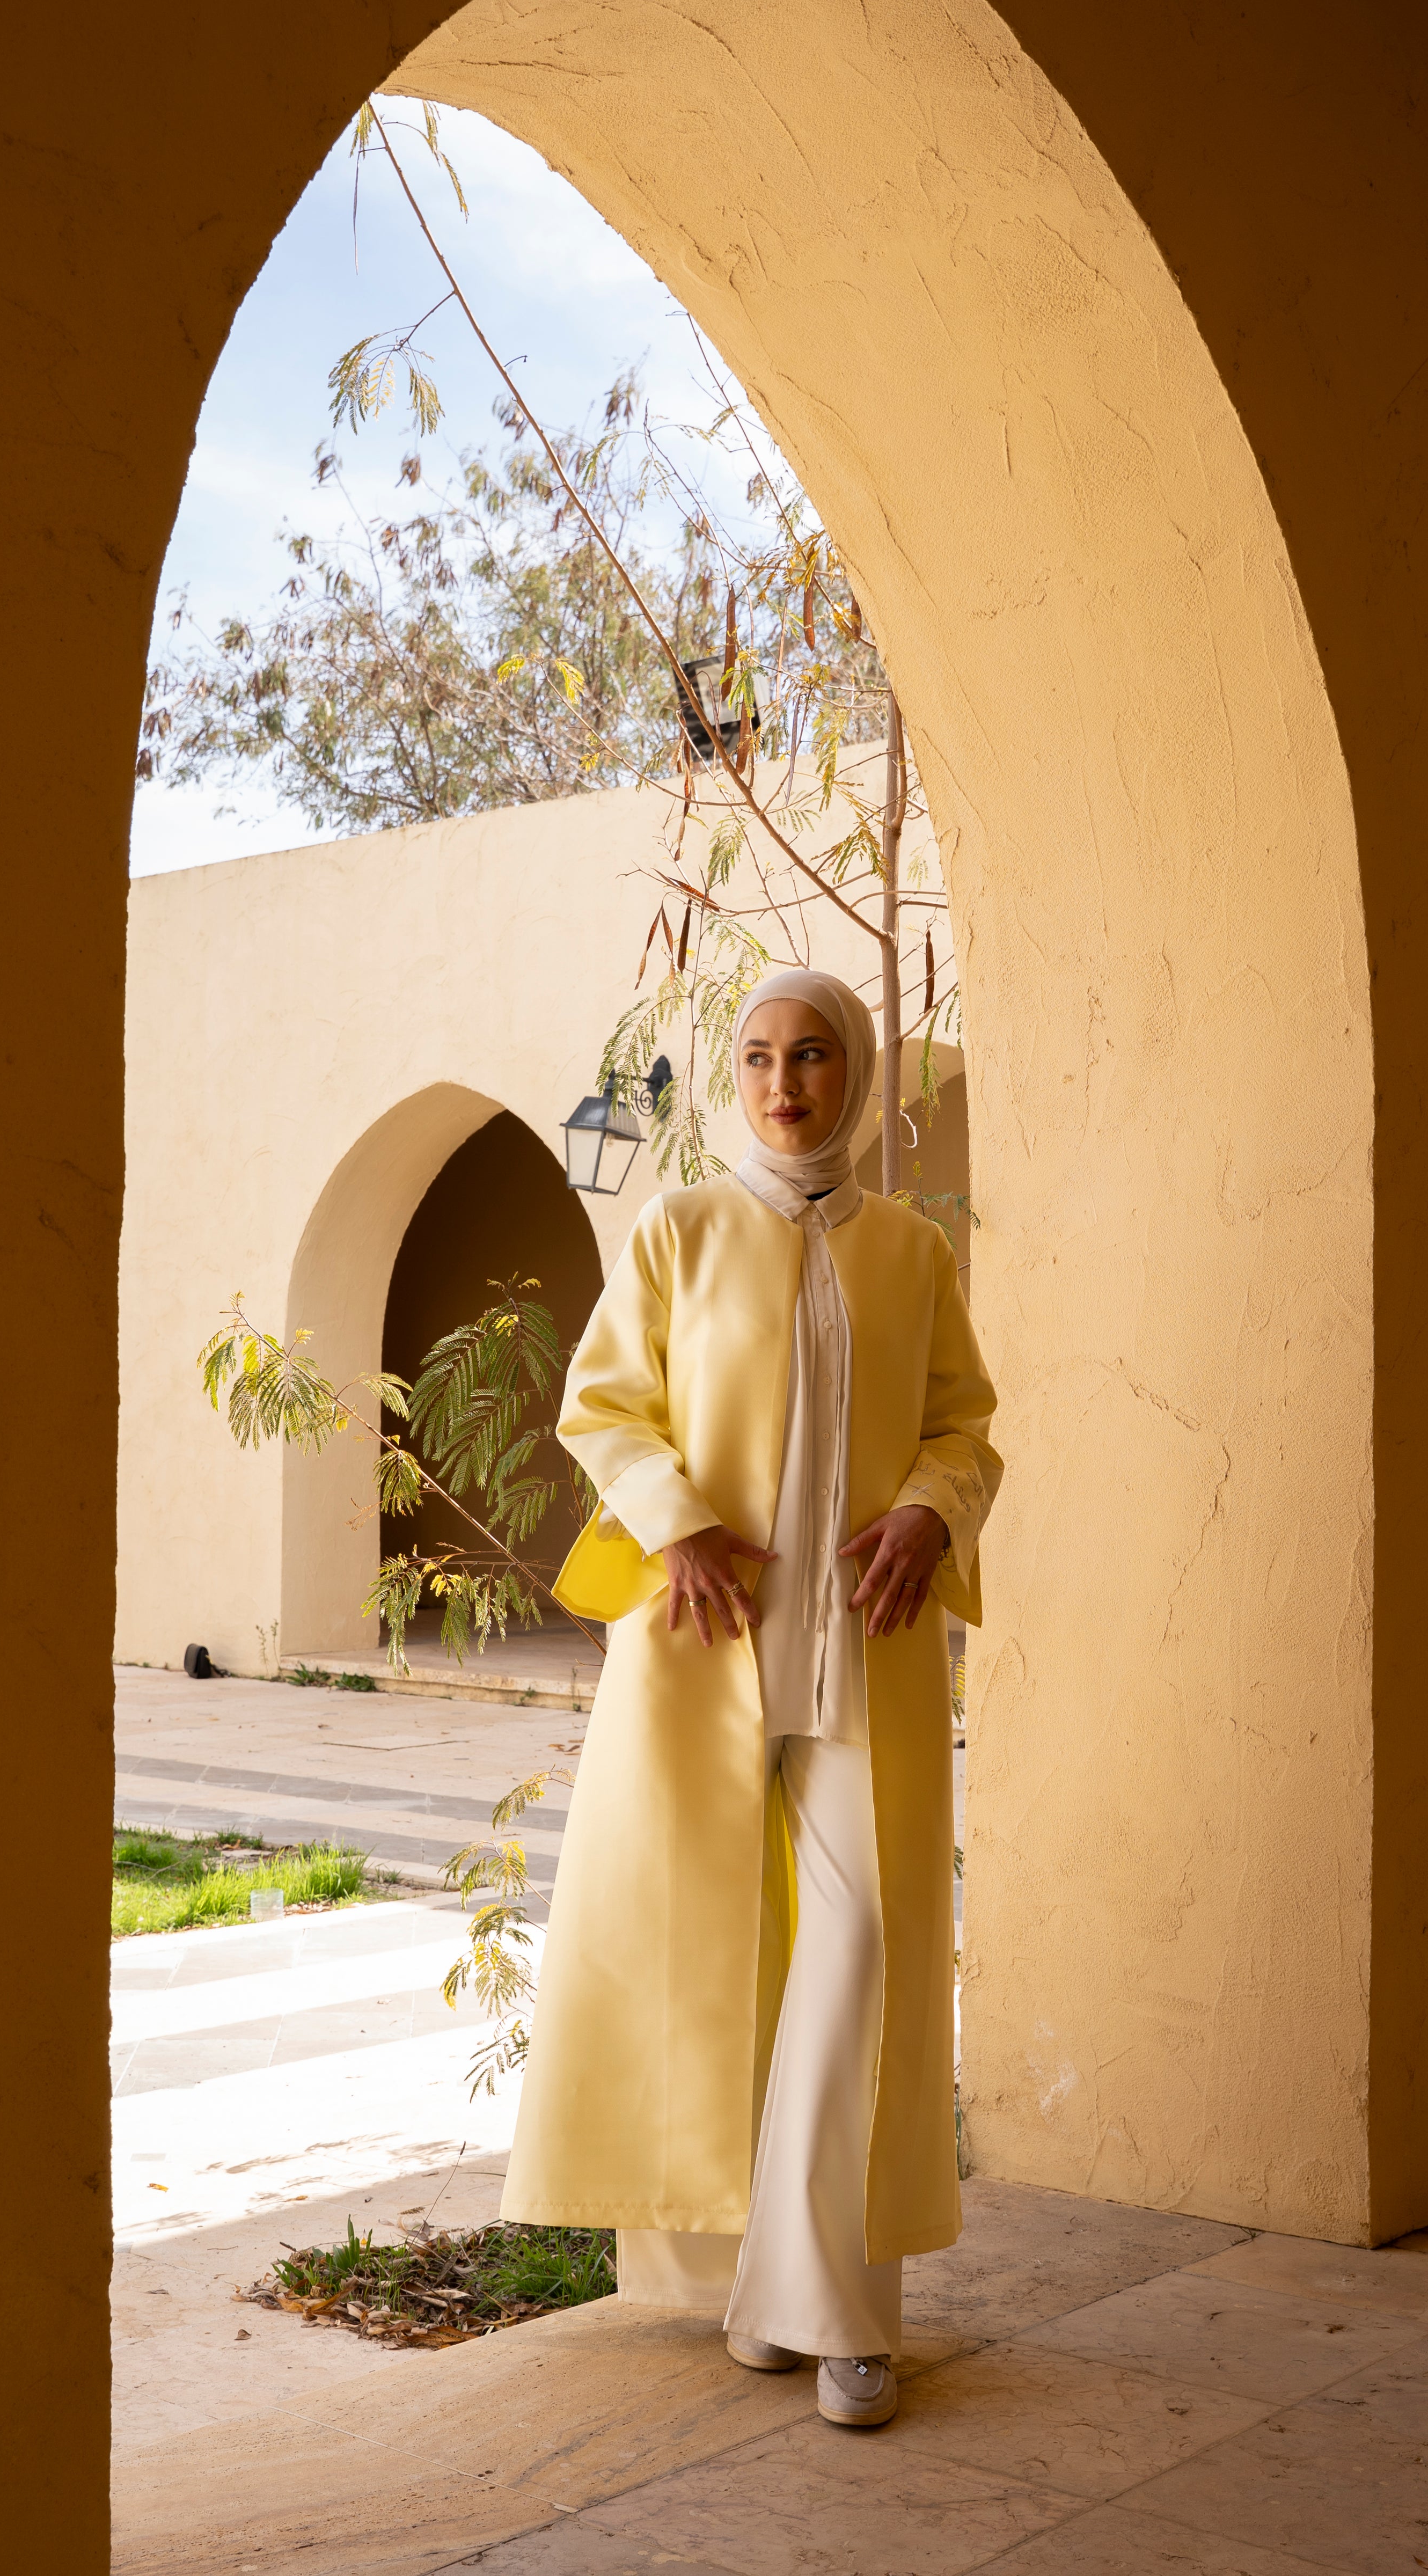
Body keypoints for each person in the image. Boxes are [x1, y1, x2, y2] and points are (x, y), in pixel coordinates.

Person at [500, 968, 1002, 2429]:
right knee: (712, 1961)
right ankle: (779, 2293)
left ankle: (833, 2309)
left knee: (859, 1960)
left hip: (862, 1650)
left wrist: (928, 1510)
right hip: (710, 1641)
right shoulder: (681, 1229)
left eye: (818, 1056)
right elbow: (604, 1403)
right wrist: (676, 1520)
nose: (787, 1083)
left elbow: (967, 1425)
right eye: (764, 1057)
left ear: (858, 1076)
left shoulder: (910, 1250)